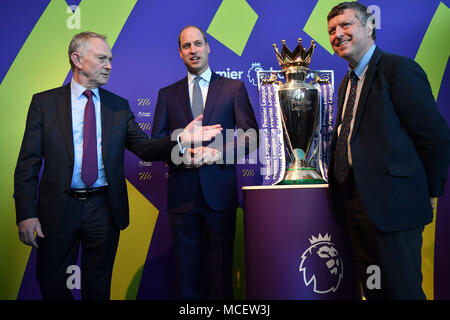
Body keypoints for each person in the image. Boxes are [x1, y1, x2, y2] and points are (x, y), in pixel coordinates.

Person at [14, 31, 222, 300]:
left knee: (98, 288)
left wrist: (181, 138)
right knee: (51, 283)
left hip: (104, 209)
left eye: (110, 59)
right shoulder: (44, 103)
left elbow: (145, 148)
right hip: (57, 210)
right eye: (101, 58)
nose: (109, 65)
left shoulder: (118, 106)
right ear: (77, 59)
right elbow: (27, 163)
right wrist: (26, 214)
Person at [326, 2, 450, 299]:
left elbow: (434, 137)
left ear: (370, 26)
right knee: (375, 290)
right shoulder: (347, 83)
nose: (338, 34)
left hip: (394, 210)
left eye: (346, 25)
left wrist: (424, 191)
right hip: (356, 206)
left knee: (401, 291)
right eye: (331, 30)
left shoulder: (399, 69)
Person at [151, 25, 259, 299]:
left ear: (208, 47)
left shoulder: (233, 88)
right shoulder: (167, 94)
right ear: (180, 53)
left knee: (221, 277)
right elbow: (158, 143)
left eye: (198, 44)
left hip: (219, 197)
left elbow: (251, 138)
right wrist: (182, 155)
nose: (193, 50)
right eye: (187, 46)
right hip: (182, 198)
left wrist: (217, 153)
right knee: (186, 280)